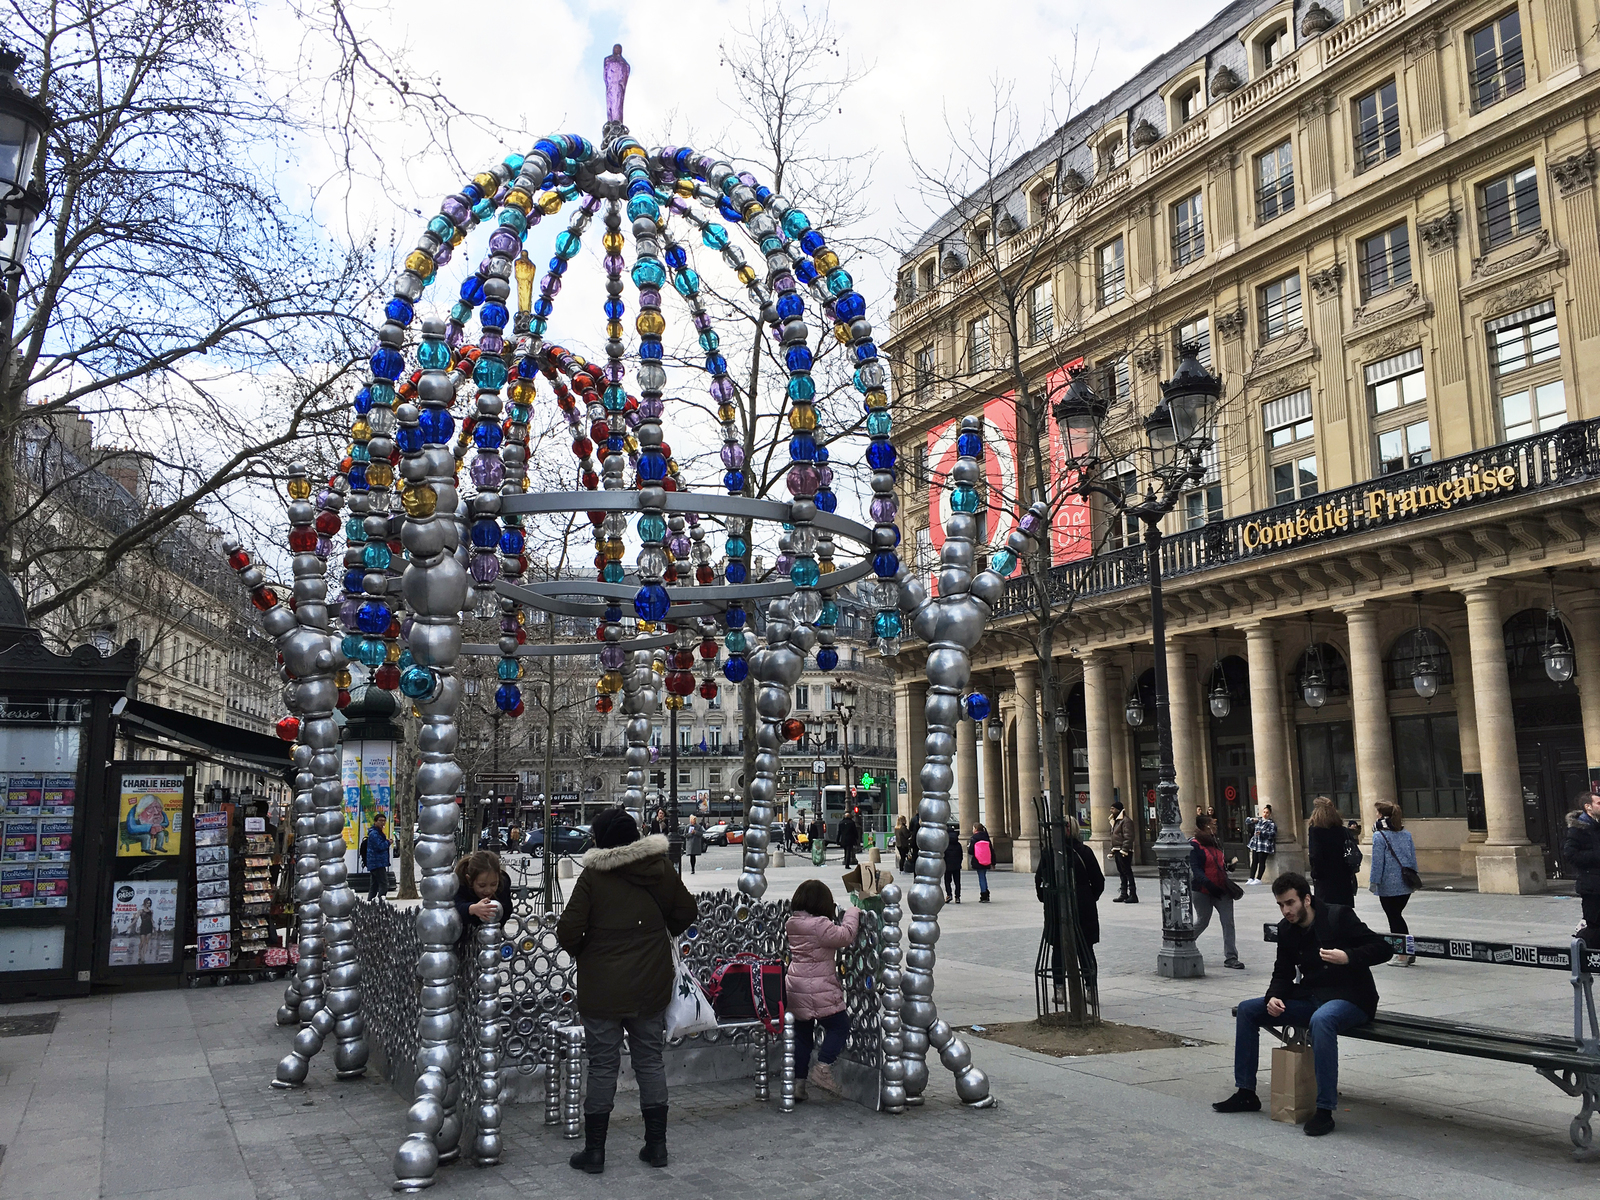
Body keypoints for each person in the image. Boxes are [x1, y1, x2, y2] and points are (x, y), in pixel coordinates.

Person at [556, 807, 697, 1173]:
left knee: (603, 1065)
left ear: (600, 839)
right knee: (650, 1061)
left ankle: (595, 1152)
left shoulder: (593, 877)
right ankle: (656, 1146)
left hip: (601, 988)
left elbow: (568, 931)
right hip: (650, 983)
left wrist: (589, 951)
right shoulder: (659, 869)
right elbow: (686, 913)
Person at [1213, 871, 1393, 1136]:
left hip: (1351, 997)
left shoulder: (1338, 916)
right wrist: (1273, 997)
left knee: (1323, 1020)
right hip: (1311, 996)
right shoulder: (1287, 930)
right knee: (1249, 1010)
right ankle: (1246, 1093)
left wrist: (1348, 956)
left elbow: (1382, 948)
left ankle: (1324, 1109)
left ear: (1306, 900)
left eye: (1290, 903)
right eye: (1281, 905)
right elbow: (1282, 973)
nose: (1286, 910)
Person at [785, 879, 862, 1099]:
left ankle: (798, 1085)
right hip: (818, 988)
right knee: (839, 1025)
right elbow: (846, 935)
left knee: (802, 1037)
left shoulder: (792, 922)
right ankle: (823, 1067)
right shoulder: (820, 925)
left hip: (796, 986)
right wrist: (853, 911)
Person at [1035, 818, 1105, 1004]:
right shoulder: (1056, 853)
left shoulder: (1061, 852)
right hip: (1074, 907)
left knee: (1075, 949)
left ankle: (1081, 989)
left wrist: (1085, 898)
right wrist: (1087, 898)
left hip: (1071, 907)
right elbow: (1039, 879)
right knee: (1075, 949)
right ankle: (1074, 990)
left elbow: (1098, 881)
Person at [1190, 813, 1243, 969]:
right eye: (1212, 824)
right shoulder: (1194, 845)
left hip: (1222, 889)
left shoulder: (1216, 843)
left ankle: (1231, 957)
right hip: (1202, 890)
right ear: (1204, 826)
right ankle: (1184, 943)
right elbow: (1196, 869)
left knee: (1228, 923)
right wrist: (1208, 884)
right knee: (1202, 921)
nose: (1215, 827)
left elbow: (1218, 864)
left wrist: (1228, 866)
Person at [1368, 802, 1417, 966]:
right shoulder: (1406, 834)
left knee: (1394, 917)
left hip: (1389, 885)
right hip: (1406, 882)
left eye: (1377, 812)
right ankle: (1407, 951)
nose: (1376, 815)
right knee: (1397, 916)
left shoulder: (1379, 835)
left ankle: (1403, 955)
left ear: (1382, 815)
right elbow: (1412, 858)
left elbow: (1377, 862)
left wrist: (1374, 882)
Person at [1562, 790, 1600, 946]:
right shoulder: (1577, 830)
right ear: (1588, 807)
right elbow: (1570, 855)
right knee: (1595, 926)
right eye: (1599, 803)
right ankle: (1584, 952)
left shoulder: (1597, 826)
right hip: (1591, 886)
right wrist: (1597, 855)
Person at [1308, 796, 1357, 908]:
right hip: (1344, 878)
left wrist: (1315, 874)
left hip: (1325, 880)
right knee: (1344, 913)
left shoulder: (1315, 830)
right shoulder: (1342, 830)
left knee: (1327, 914)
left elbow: (1315, 855)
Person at [453, 850, 513, 942]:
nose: (488, 890)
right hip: (462, 938)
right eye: (482, 885)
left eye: (493, 884)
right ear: (469, 880)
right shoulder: (459, 884)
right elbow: (453, 908)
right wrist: (471, 909)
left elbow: (507, 909)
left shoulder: (503, 883)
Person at [1110, 798, 1138, 903]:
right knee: (1121, 872)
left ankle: (1133, 894)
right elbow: (1114, 836)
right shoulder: (1116, 821)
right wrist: (1112, 849)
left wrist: (1124, 849)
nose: (1111, 810)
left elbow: (1129, 836)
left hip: (1124, 850)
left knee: (1127, 871)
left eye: (1113, 808)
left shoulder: (1126, 821)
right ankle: (1123, 893)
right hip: (1117, 849)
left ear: (1118, 809)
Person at [363, 813, 392, 901]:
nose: (382, 823)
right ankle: (380, 902)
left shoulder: (377, 832)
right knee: (384, 884)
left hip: (377, 862)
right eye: (380, 821)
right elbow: (379, 846)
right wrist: (388, 843)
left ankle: (370, 903)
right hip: (377, 862)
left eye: (384, 821)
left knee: (374, 885)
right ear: (375, 822)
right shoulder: (374, 833)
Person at [1245, 805, 1277, 884]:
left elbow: (1272, 834)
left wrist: (1262, 833)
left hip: (1264, 845)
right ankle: (1251, 877)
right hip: (1256, 844)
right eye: (1264, 812)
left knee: (1261, 861)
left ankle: (1258, 878)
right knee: (1254, 861)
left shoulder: (1271, 823)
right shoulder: (1259, 820)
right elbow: (1247, 821)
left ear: (1269, 814)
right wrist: (1253, 819)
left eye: (1267, 813)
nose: (1265, 814)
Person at [970, 823, 993, 901]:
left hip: (978, 860)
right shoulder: (986, 837)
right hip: (986, 860)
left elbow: (970, 851)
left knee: (981, 877)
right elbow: (991, 850)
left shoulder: (974, 838)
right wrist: (993, 862)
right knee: (983, 876)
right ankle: (986, 892)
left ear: (976, 829)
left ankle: (983, 894)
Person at [942, 824, 963, 903]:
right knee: (957, 882)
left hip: (947, 866)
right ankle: (957, 897)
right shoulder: (958, 845)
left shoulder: (945, 845)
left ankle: (949, 895)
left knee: (947, 881)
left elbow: (943, 855)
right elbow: (961, 856)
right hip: (957, 866)